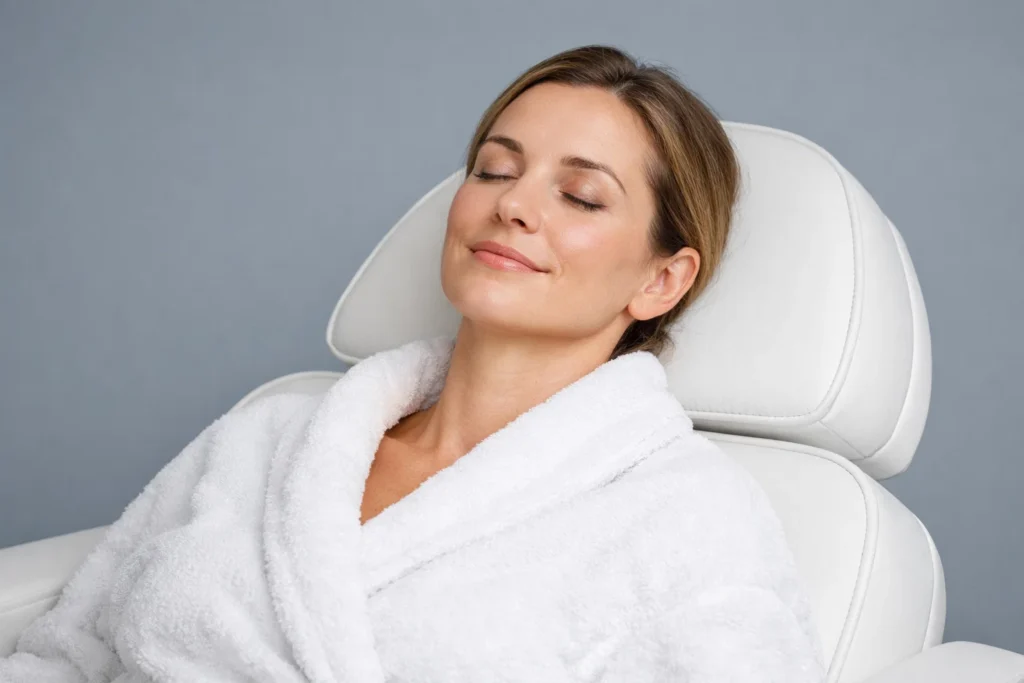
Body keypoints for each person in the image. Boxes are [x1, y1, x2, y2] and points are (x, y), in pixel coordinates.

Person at [0, 44, 825, 682]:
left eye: (578, 195)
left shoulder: (689, 518)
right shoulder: (271, 437)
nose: (512, 203)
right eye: (495, 169)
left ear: (661, 278)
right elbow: (64, 652)